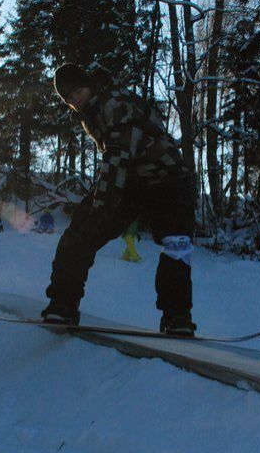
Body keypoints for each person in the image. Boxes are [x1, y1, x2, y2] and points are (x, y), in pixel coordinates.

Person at [42, 63, 196, 335]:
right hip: (137, 180)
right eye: (70, 99)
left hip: (167, 179)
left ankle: (178, 316)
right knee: (81, 231)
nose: (76, 101)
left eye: (78, 92)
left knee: (176, 242)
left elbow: (118, 159)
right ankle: (62, 304)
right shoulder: (96, 109)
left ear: (89, 84)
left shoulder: (114, 102)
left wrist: (101, 208)